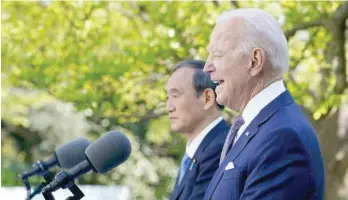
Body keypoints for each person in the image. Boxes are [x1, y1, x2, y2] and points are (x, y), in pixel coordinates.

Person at [202, 8, 325, 200]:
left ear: (255, 61)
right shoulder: (261, 127)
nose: (206, 67)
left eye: (217, 55)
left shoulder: (282, 137)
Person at [166, 60, 230, 200]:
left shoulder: (222, 150)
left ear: (207, 98)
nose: (169, 107)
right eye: (167, 97)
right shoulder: (195, 153)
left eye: (175, 96)